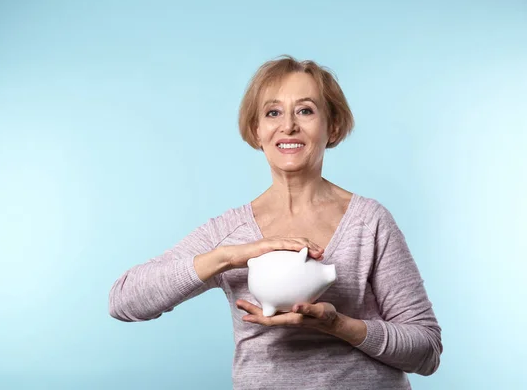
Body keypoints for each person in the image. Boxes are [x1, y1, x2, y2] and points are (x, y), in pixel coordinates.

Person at [108, 55, 442, 389]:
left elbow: (426, 351)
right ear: (257, 130)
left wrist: (337, 325)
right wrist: (229, 256)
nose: (288, 126)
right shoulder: (231, 233)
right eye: (273, 112)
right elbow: (123, 301)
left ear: (333, 126)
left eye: (305, 110)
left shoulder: (369, 223)